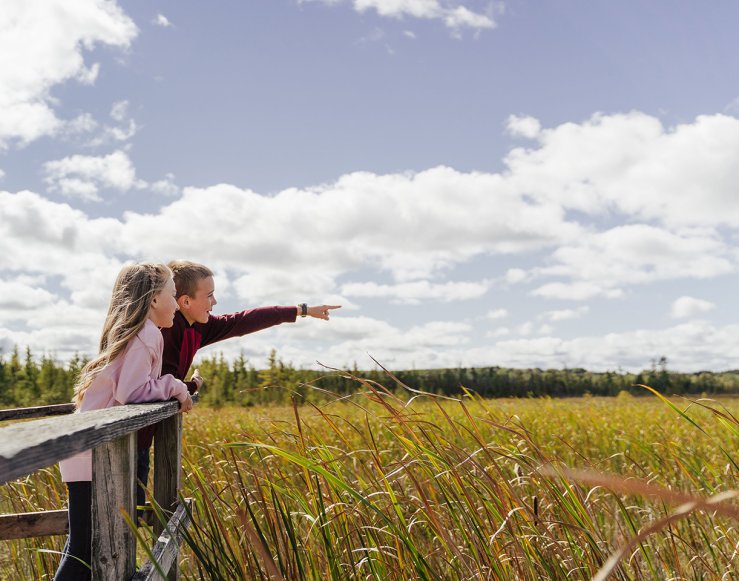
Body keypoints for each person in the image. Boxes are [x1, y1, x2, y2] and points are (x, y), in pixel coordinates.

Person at [134, 259, 340, 506]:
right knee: (112, 523)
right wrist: (192, 386)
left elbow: (243, 320)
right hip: (127, 440)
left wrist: (301, 310)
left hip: (140, 441)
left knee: (125, 521)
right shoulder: (162, 329)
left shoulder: (198, 327)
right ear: (185, 302)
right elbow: (156, 385)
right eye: (209, 295)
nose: (215, 302)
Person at [54, 263, 193, 581]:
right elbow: (131, 391)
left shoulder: (141, 333)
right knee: (84, 551)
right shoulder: (146, 334)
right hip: (93, 457)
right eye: (172, 294)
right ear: (155, 299)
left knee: (88, 546)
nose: (176, 302)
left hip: (89, 453)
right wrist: (174, 385)